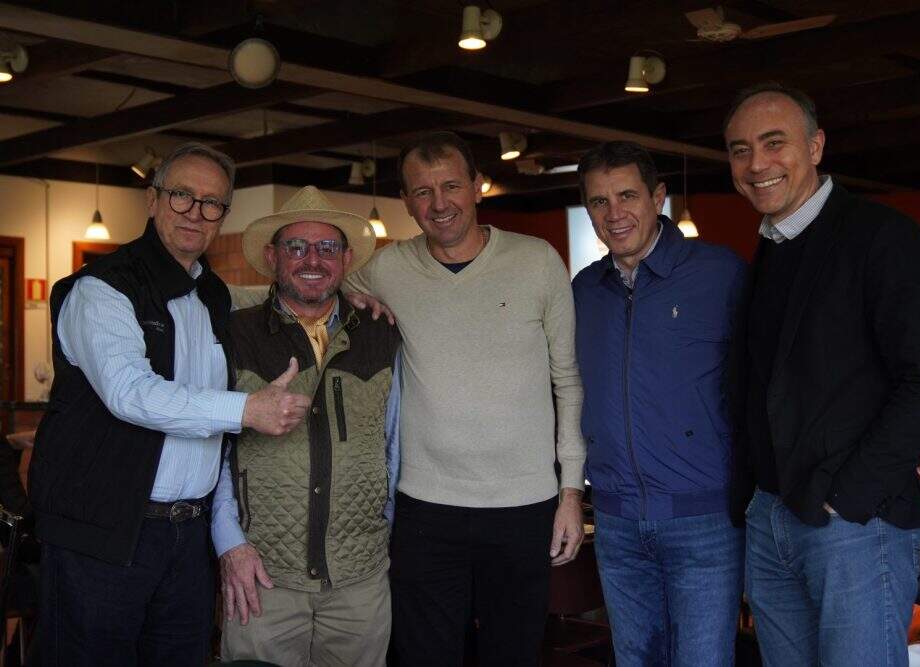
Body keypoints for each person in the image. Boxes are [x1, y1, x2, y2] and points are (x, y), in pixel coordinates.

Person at [28, 143, 311, 667]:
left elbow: (281, 298)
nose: (195, 212)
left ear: (223, 215)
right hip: (104, 534)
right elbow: (130, 392)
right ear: (153, 199)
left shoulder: (213, 295)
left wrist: (354, 295)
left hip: (187, 539)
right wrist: (246, 410)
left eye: (212, 203)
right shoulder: (102, 289)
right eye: (182, 195)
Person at [723, 82, 920, 666]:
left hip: (854, 523)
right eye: (739, 150)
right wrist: (753, 499)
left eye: (773, 143)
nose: (756, 164)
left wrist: (847, 499)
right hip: (772, 515)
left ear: (816, 146)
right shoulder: (772, 248)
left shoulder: (881, 236)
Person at [345, 131, 586, 666]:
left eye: (451, 186)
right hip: (425, 508)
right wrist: (353, 295)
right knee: (423, 656)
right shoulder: (388, 268)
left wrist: (570, 491)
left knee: (512, 655)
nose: (439, 204)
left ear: (478, 187)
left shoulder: (536, 261)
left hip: (524, 505)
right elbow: (325, 287)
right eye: (422, 192)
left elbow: (568, 381)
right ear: (406, 202)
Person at [572, 141, 746, 666]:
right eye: (599, 201)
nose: (614, 213)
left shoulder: (719, 274)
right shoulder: (584, 290)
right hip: (616, 520)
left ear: (658, 197)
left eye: (627, 195)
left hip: (705, 520)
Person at [210, 185, 400, 666]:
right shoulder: (235, 333)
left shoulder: (381, 331)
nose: (312, 259)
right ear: (272, 257)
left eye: (327, 247)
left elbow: (395, 443)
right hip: (261, 576)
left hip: (360, 579)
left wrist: (388, 535)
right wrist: (230, 545)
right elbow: (212, 451)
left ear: (346, 259)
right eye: (296, 247)